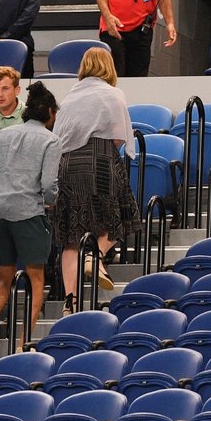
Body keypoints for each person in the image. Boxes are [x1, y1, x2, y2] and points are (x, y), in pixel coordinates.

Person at [0, 82, 61, 361]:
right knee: (37, 279)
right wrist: (51, 199)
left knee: (4, 279)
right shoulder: (50, 140)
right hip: (28, 212)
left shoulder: (2, 135)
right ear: (49, 112)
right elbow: (49, 184)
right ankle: (22, 341)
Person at [53, 47, 139, 316]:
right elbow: (118, 137)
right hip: (99, 159)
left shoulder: (69, 97)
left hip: (66, 165)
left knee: (70, 237)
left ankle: (71, 303)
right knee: (117, 216)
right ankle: (95, 255)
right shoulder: (113, 93)